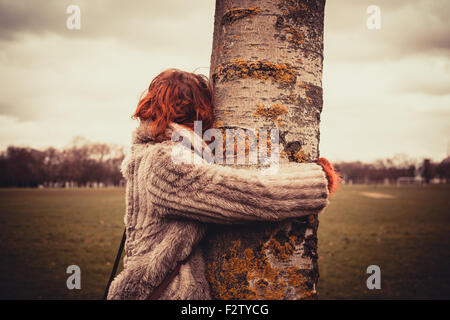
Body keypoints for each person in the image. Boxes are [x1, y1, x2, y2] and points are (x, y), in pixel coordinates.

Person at [107, 68, 339, 300]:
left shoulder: (147, 154)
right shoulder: (167, 161)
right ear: (199, 112)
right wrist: (316, 181)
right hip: (163, 292)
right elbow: (250, 196)